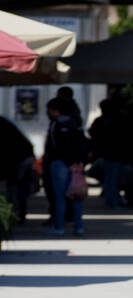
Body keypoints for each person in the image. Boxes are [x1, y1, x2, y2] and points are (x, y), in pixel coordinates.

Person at [44, 98, 88, 236]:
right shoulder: (75, 124)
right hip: (76, 165)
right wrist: (80, 162)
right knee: (76, 195)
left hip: (60, 163)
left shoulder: (55, 125)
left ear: (55, 111)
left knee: (60, 197)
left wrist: (68, 163)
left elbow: (56, 147)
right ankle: (79, 226)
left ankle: (59, 227)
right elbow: (83, 144)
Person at [88, 99, 126, 208]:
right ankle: (112, 199)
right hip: (114, 153)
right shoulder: (117, 120)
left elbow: (92, 133)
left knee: (110, 177)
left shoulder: (102, 121)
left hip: (107, 153)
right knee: (113, 177)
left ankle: (111, 199)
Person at [0, 116, 36, 223]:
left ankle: (12, 215)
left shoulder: (3, 126)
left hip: (17, 160)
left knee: (13, 190)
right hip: (19, 159)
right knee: (16, 189)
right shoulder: (5, 123)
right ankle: (16, 214)